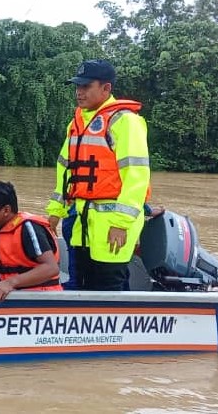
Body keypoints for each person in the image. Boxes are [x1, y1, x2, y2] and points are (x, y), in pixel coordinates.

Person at [46, 59, 151, 291]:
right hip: (82, 222)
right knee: (83, 285)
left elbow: (136, 176)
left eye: (86, 86)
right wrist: (55, 212)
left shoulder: (125, 121)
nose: (79, 92)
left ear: (106, 88)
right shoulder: (77, 123)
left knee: (109, 288)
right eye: (77, 87)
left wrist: (121, 224)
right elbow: (65, 171)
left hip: (113, 224)